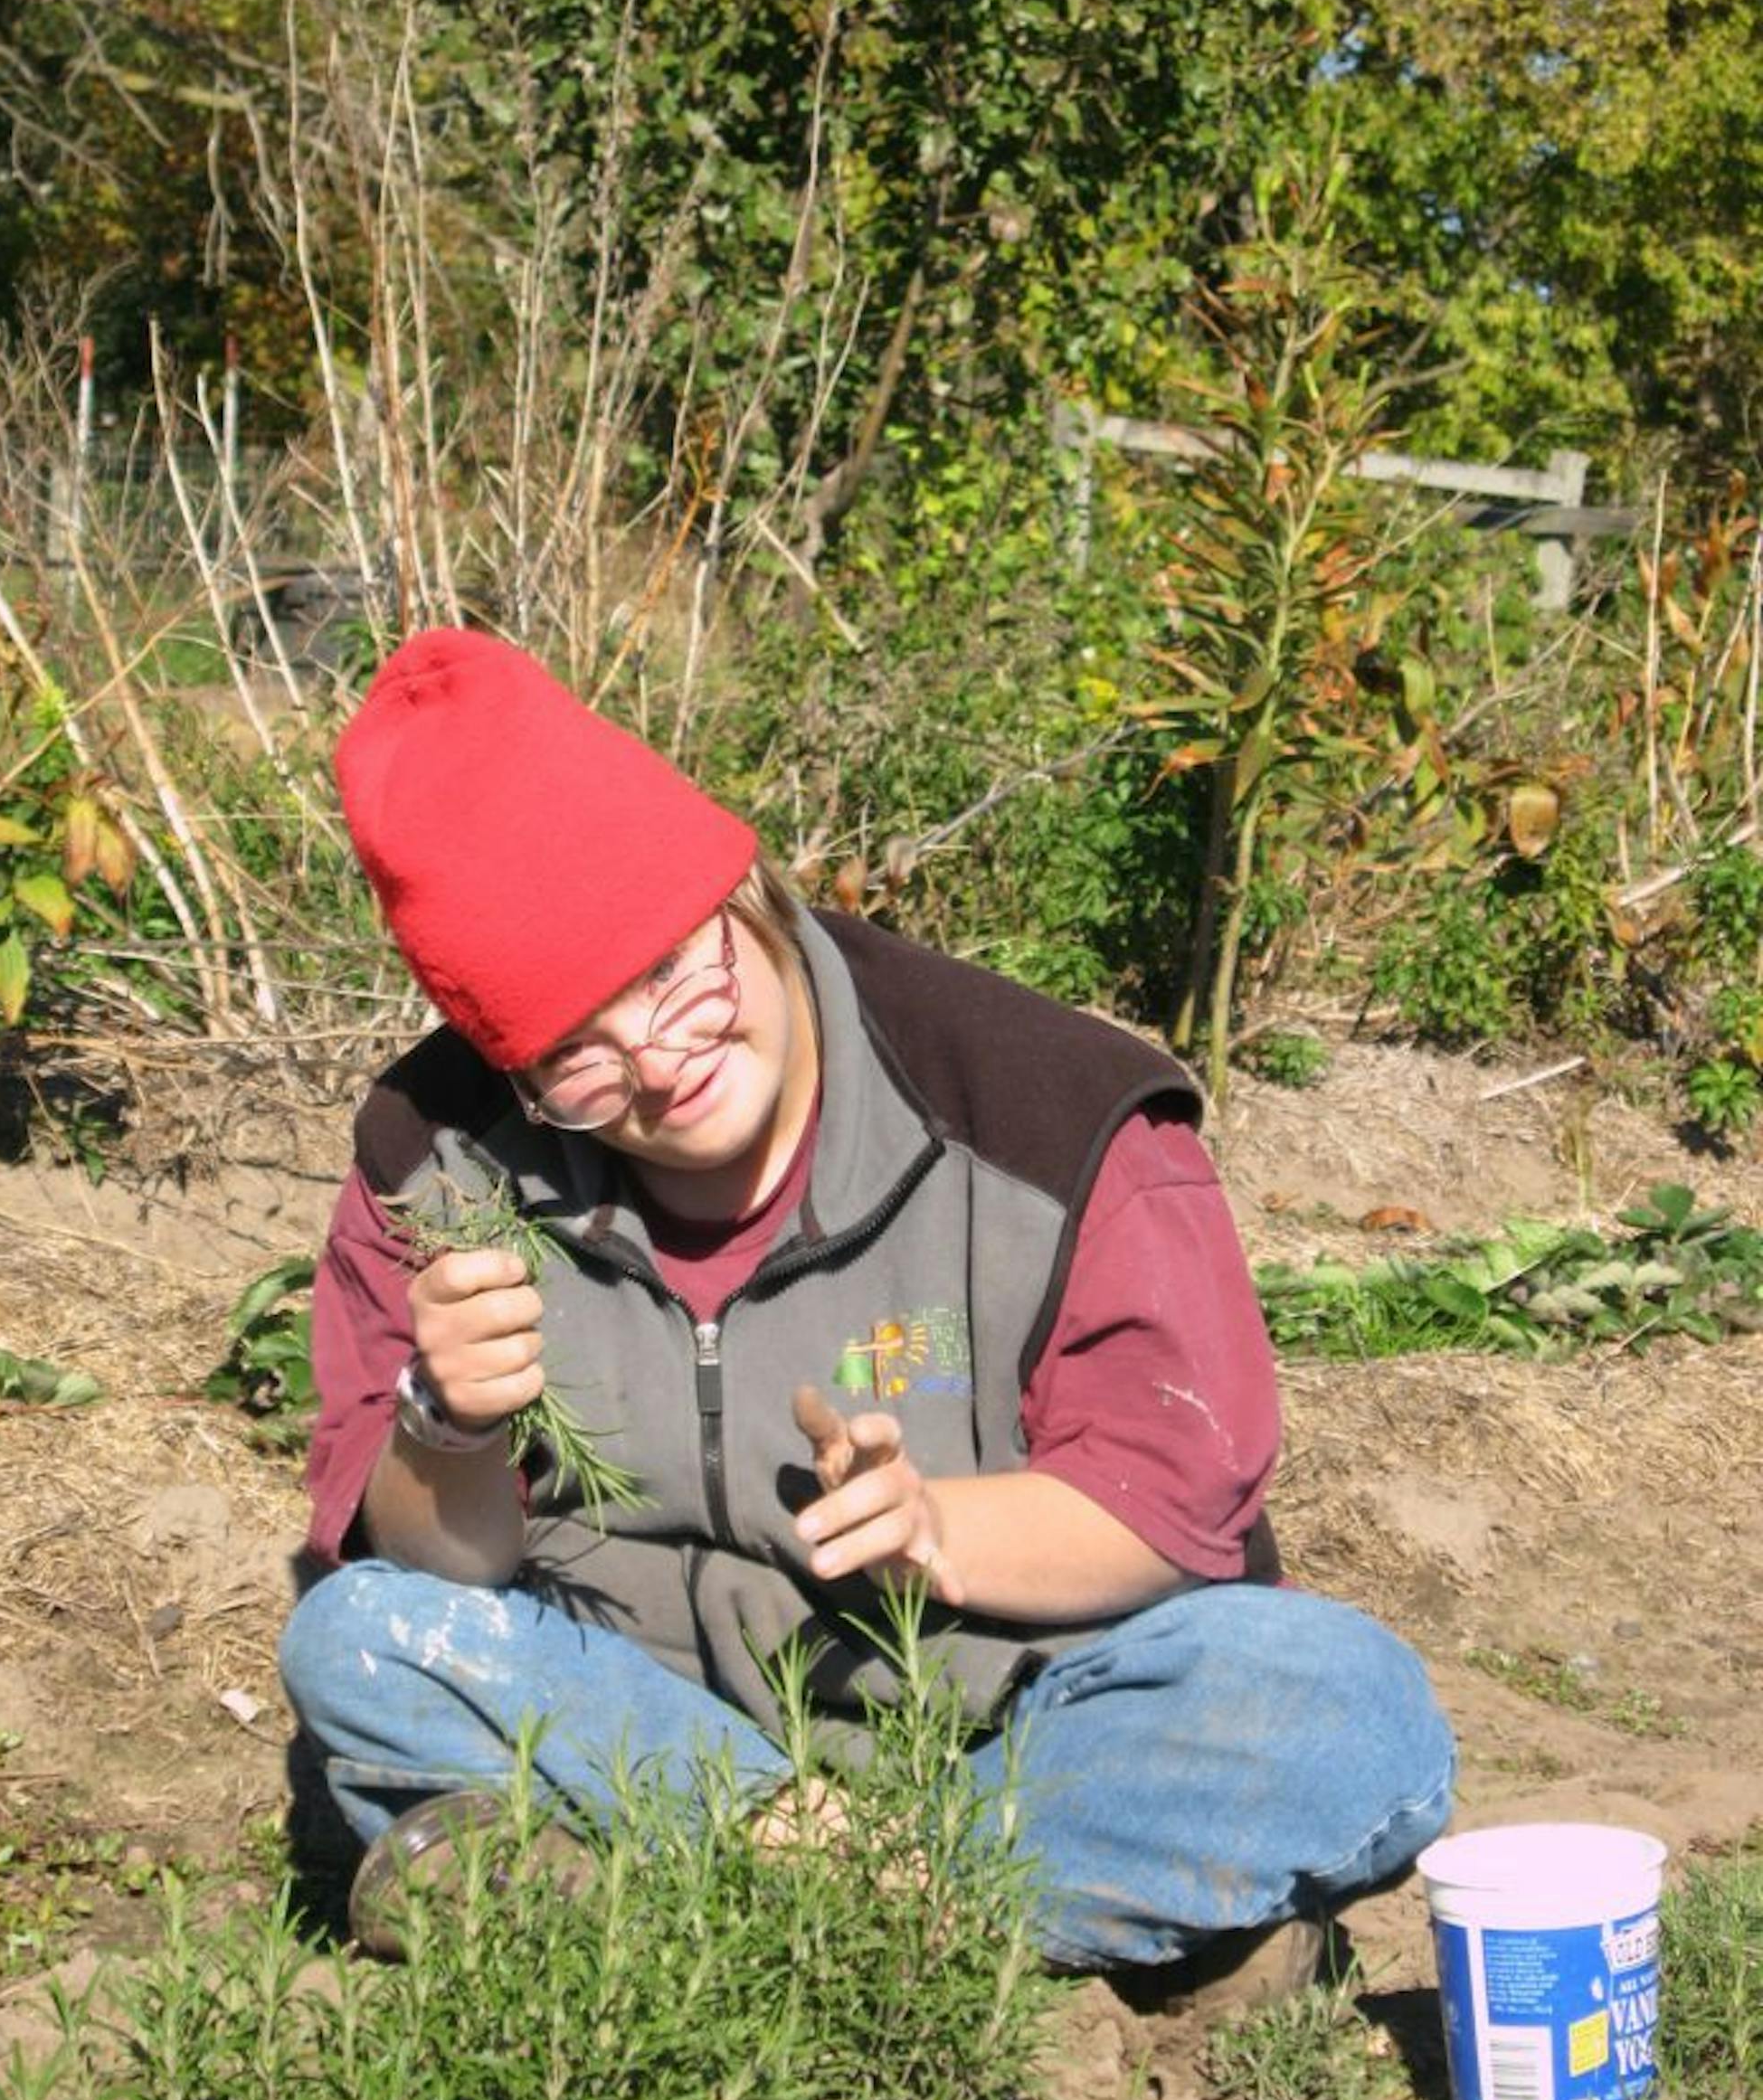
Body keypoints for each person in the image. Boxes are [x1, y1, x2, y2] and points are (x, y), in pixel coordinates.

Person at [280, 626, 1455, 1991]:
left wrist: (944, 1528)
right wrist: (447, 1424)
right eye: (573, 1058)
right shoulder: (434, 1161)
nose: (660, 1069)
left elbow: (1176, 1513)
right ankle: (1028, 1912)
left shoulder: (1048, 1113)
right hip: (647, 1708)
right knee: (356, 1642)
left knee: (1341, 1709)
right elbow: (434, 1577)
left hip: (1015, 1715)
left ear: (745, 890)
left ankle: (667, 1904)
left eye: (672, 974)